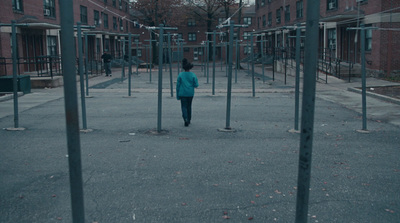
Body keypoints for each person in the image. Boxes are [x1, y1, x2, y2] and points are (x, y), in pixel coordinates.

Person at [176, 58, 199, 127]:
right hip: (190, 93)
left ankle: (185, 118)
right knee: (189, 106)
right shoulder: (193, 75)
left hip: (182, 93)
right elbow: (196, 85)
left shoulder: (180, 75)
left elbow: (178, 86)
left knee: (183, 106)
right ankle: (189, 119)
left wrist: (177, 95)